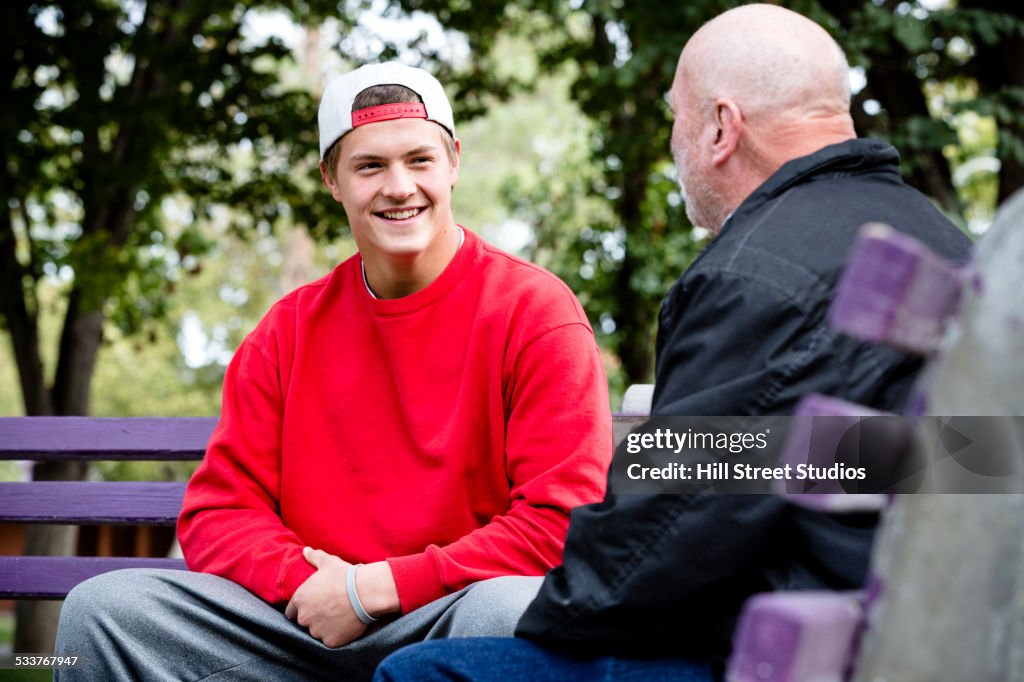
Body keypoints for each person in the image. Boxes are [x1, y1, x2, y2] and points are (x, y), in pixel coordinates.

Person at [373, 5, 972, 681]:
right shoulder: (949, 245)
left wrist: (543, 617)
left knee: (422, 671)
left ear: (721, 126)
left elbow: (654, 542)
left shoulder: (756, 276)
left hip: (808, 651)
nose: (672, 145)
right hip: (943, 634)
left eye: (675, 119)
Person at [54, 62, 613, 680]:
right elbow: (219, 512)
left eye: (419, 160)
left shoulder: (535, 312)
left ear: (453, 160)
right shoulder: (285, 332)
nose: (399, 187)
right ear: (331, 180)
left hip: (446, 615)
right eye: (369, 166)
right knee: (103, 611)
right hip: (299, 626)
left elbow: (561, 522)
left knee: (512, 609)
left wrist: (378, 589)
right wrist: (312, 586)